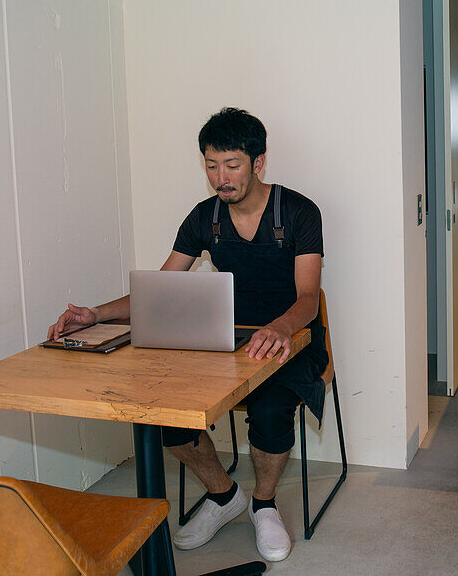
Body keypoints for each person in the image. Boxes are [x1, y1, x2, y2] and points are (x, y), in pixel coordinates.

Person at [48, 107, 326, 562]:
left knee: (271, 406)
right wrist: (94, 314)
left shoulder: (298, 212)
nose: (221, 177)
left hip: (292, 339)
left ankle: (264, 503)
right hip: (225, 340)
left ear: (258, 162)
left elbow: (309, 297)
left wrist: (280, 327)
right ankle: (223, 495)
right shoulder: (204, 217)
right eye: (211, 166)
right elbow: (160, 291)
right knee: (165, 406)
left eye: (232, 165)